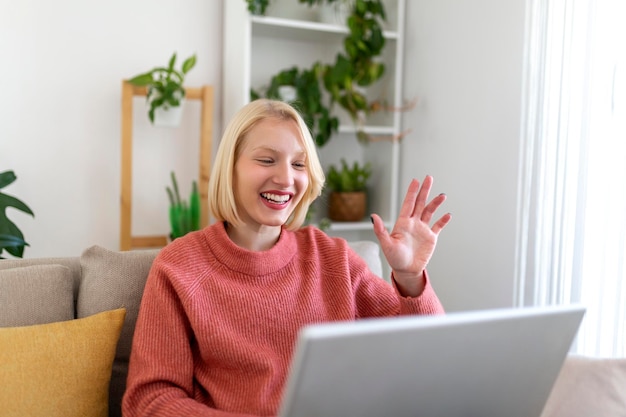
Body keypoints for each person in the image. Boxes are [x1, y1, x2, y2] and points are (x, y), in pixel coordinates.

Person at [122, 98, 452, 417]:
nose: (285, 178)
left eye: (298, 164)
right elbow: (149, 402)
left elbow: (427, 355)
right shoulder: (179, 266)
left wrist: (410, 278)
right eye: (266, 160)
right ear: (230, 168)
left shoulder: (334, 259)